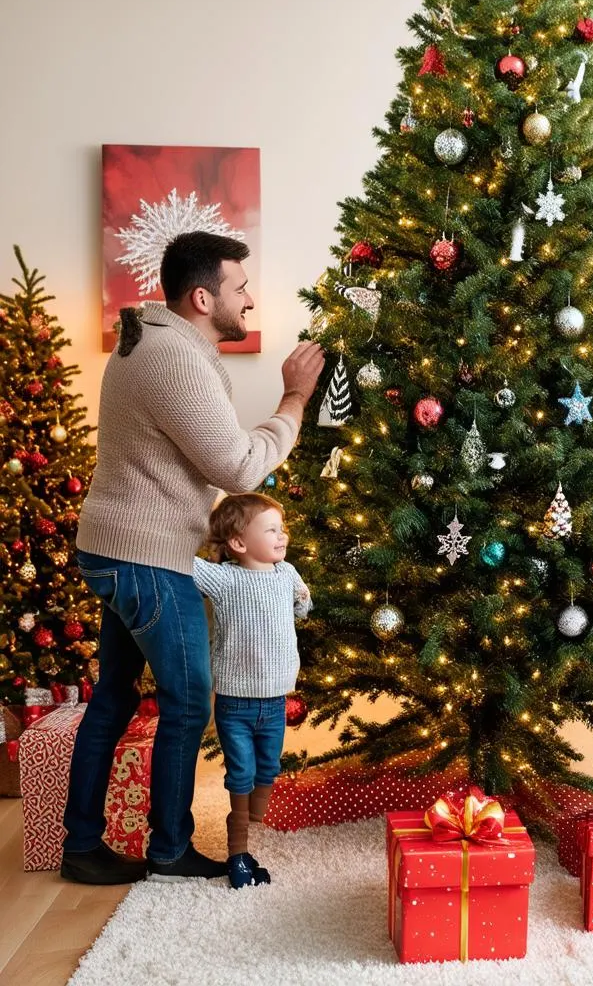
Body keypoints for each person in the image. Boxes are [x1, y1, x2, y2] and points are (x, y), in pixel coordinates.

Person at [62, 231, 324, 885]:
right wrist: (293, 399)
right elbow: (238, 465)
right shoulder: (171, 358)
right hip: (145, 558)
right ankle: (169, 848)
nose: (250, 300)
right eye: (240, 288)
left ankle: (82, 846)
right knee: (187, 700)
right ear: (204, 296)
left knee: (115, 697)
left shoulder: (158, 343)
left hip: (121, 547)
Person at [192, 492, 311, 889]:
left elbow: (301, 606)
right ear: (239, 544)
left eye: (283, 529)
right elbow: (182, 564)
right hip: (235, 702)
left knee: (269, 767)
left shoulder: (287, 573)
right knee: (241, 773)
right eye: (272, 530)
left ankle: (251, 819)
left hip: (275, 700)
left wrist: (302, 603)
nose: (282, 536)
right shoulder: (225, 578)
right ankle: (237, 850)